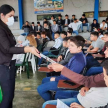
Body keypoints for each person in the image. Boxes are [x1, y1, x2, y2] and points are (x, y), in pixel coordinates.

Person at [0, 4, 40, 108]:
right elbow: (7, 49)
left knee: (10, 95)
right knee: (7, 96)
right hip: (4, 65)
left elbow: (10, 45)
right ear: (2, 15)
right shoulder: (0, 29)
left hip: (10, 64)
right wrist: (27, 49)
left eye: (13, 16)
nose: (12, 18)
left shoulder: (5, 27)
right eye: (10, 16)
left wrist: (19, 46)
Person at [37, 36, 86, 101]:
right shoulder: (76, 56)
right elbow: (68, 68)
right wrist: (57, 66)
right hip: (63, 78)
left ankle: (50, 102)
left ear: (79, 48)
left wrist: (56, 79)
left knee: (40, 89)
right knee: (44, 80)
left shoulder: (78, 61)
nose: (69, 47)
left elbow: (70, 77)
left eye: (72, 45)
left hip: (66, 82)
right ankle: (51, 96)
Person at [43, 59, 108, 108]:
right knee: (56, 95)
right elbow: (91, 81)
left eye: (105, 77)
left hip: (85, 101)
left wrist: (63, 70)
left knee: (47, 104)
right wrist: (87, 87)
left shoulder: (78, 60)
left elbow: (86, 80)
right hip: (84, 94)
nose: (104, 51)